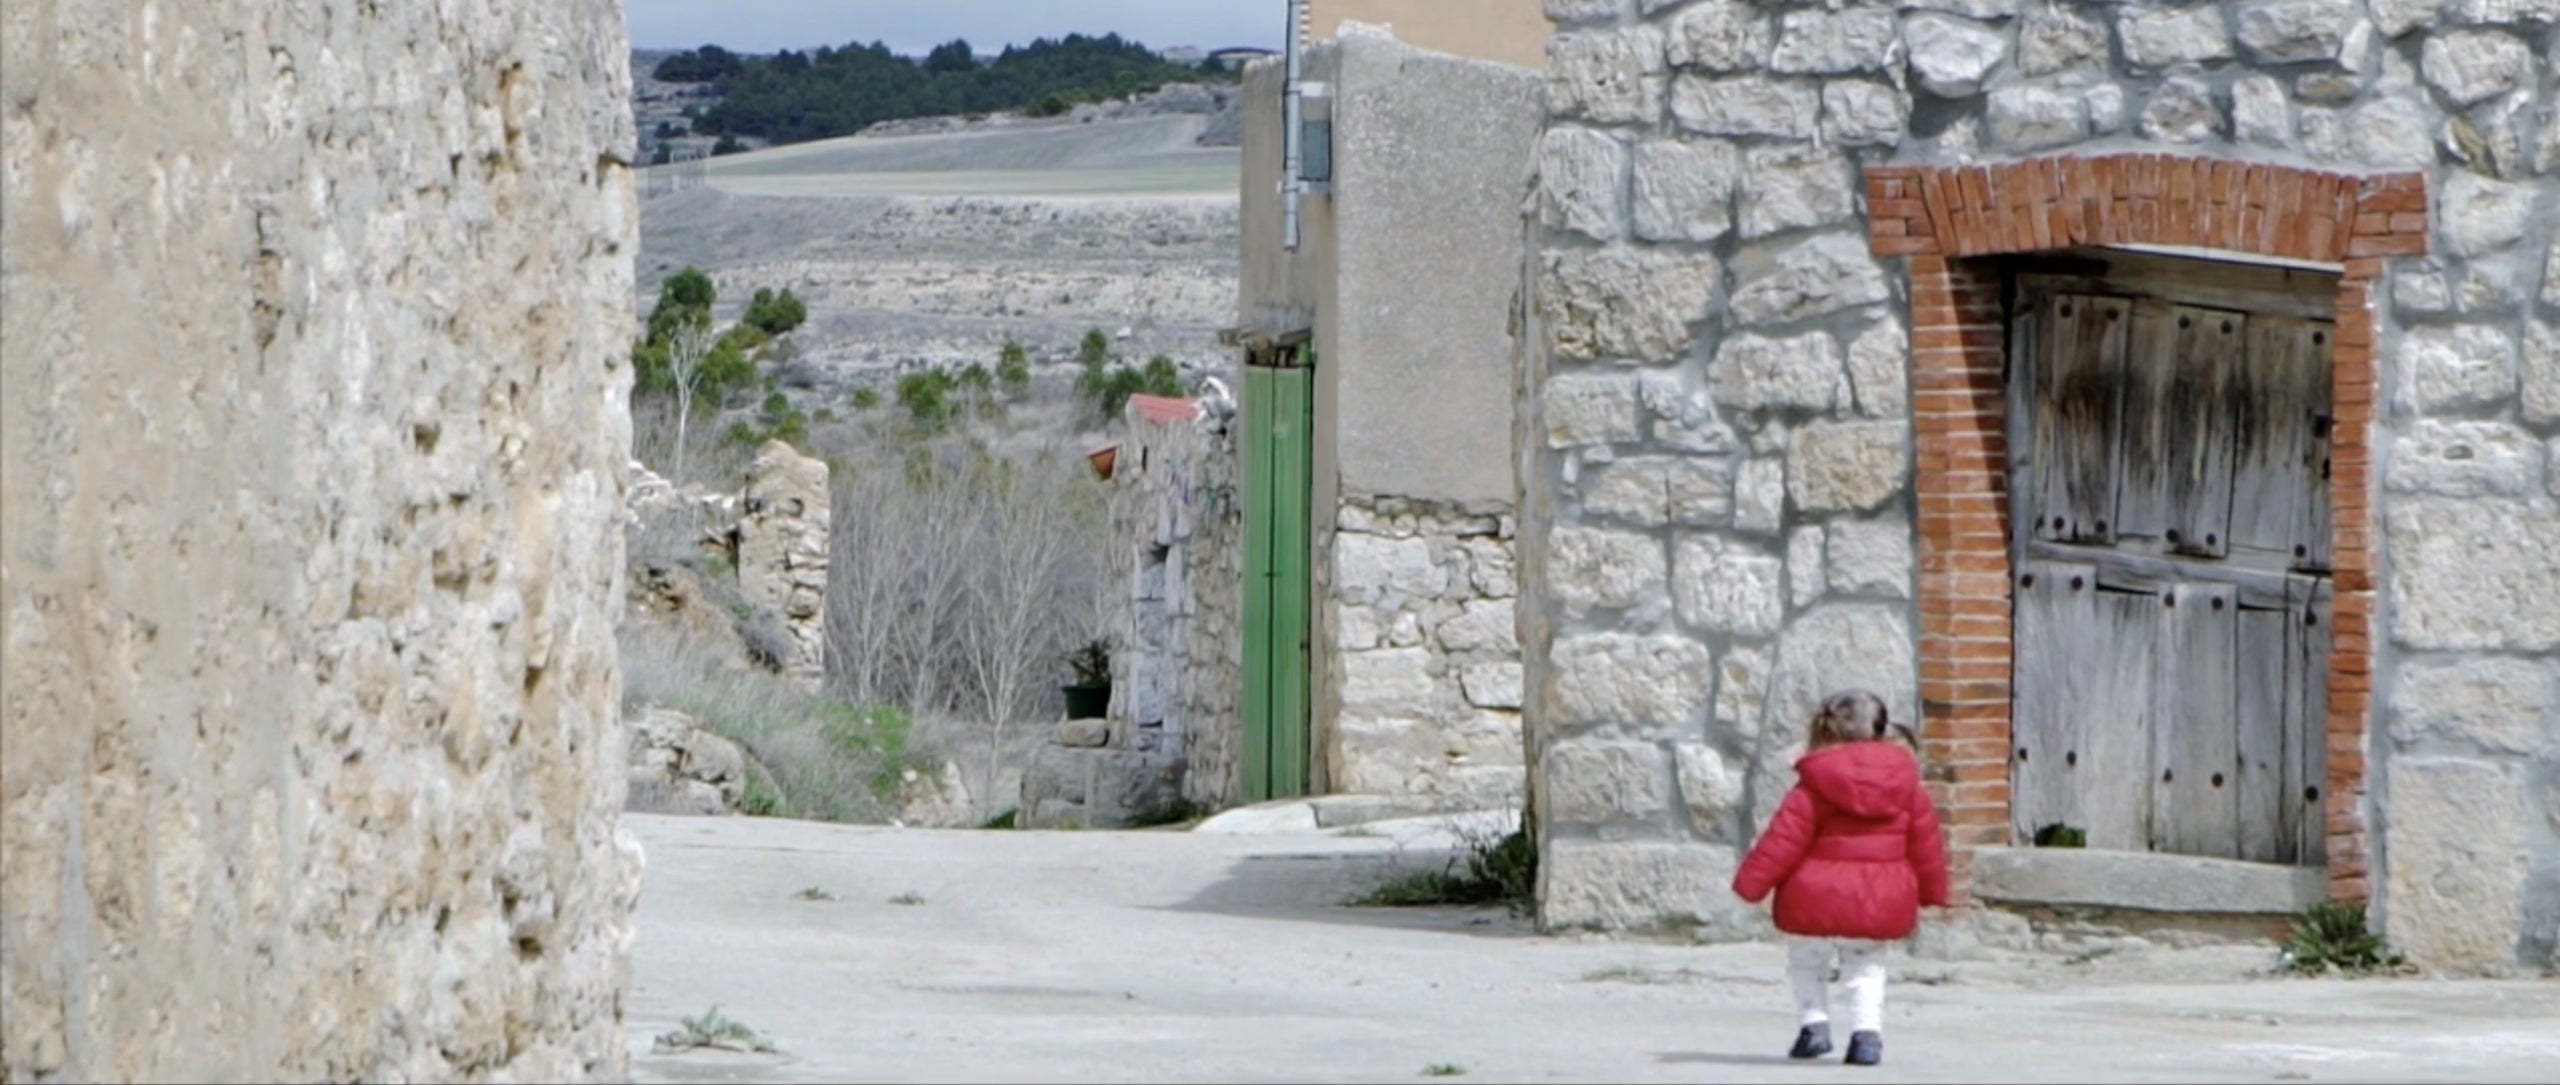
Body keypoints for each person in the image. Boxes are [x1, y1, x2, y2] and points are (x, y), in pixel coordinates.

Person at [1731, 690, 1949, 1068]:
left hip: (1814, 892)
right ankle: (1867, 1036)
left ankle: (1814, 1027)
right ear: (1881, 729)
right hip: (1880, 896)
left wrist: (1751, 884)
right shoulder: (1907, 785)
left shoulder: (1814, 782)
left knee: (1807, 959)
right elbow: (1926, 845)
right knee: (1866, 965)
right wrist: (1932, 892)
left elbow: (1783, 840)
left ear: (1826, 728)